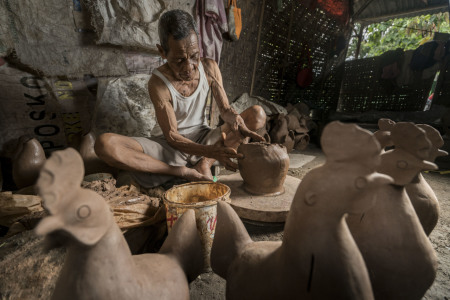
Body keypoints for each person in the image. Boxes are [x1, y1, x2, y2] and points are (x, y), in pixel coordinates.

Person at [94, 9, 266, 188]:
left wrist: (237, 121)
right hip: (170, 148)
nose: (189, 67)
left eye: (194, 56)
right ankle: (181, 172)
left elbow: (225, 110)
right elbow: (172, 137)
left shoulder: (209, 68)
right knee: (105, 144)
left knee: (257, 114)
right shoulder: (158, 83)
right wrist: (211, 152)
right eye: (179, 60)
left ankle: (203, 165)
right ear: (162, 52)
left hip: (204, 137)